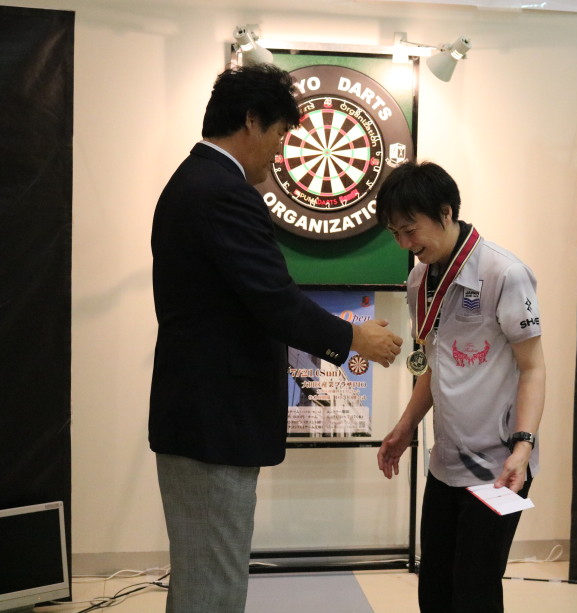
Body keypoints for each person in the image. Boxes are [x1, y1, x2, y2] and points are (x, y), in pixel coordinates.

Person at [149, 64, 402, 613]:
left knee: (203, 577)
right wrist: (355, 340)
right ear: (251, 120)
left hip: (201, 418)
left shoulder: (194, 182)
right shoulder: (222, 192)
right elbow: (273, 299)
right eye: (282, 133)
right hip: (213, 423)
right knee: (213, 585)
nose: (282, 152)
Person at [374, 161, 546, 613]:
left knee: (475, 591)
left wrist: (523, 446)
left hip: (501, 466)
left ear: (446, 212)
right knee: (434, 590)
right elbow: (435, 366)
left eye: (411, 230)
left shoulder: (505, 274)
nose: (405, 244)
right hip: (445, 464)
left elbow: (532, 368)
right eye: (395, 234)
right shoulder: (418, 281)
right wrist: (404, 427)